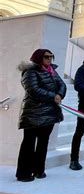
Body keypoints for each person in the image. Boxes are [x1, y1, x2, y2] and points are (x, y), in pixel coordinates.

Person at [16, 49, 66, 182]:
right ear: (38, 58)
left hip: (49, 113)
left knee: (43, 143)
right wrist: (52, 96)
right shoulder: (30, 71)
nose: (49, 59)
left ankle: (39, 170)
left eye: (51, 56)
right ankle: (24, 174)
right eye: (46, 57)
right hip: (33, 114)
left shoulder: (51, 70)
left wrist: (60, 95)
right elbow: (33, 90)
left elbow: (62, 84)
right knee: (29, 144)